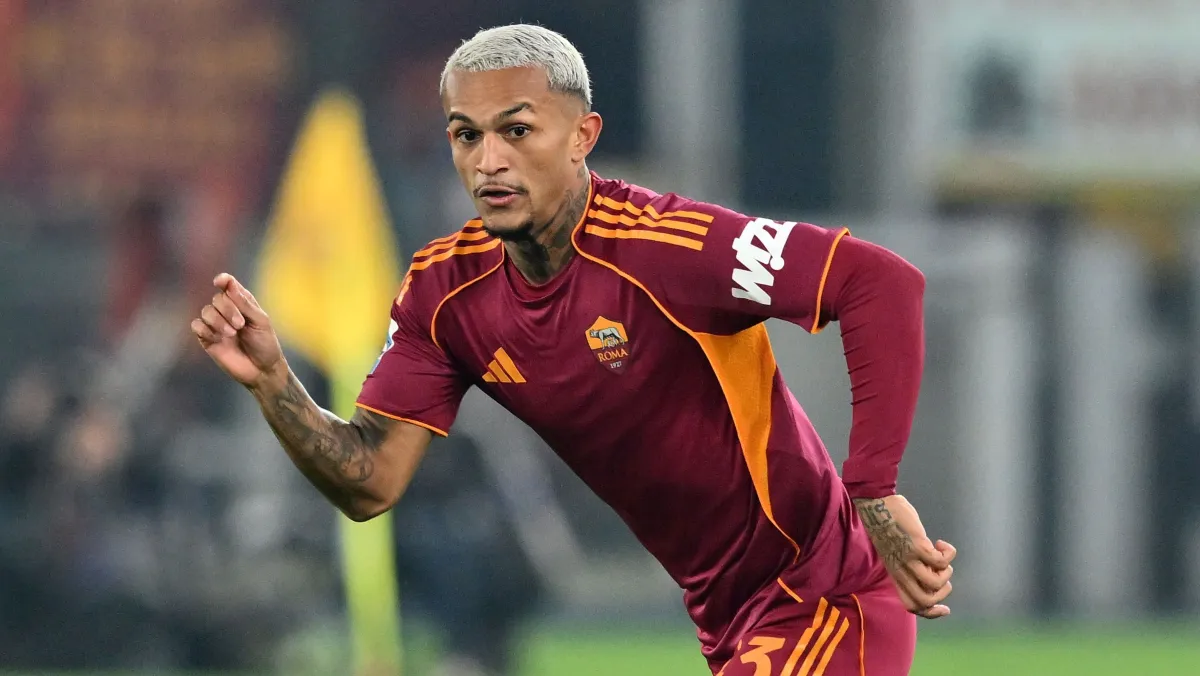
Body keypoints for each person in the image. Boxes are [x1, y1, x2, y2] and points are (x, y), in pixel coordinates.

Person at [190, 24, 956, 675]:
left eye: (517, 131)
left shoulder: (667, 248)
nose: (489, 161)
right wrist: (274, 383)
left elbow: (878, 282)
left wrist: (873, 490)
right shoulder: (444, 294)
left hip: (821, 597)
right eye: (467, 135)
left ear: (583, 136)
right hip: (730, 620)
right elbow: (370, 482)